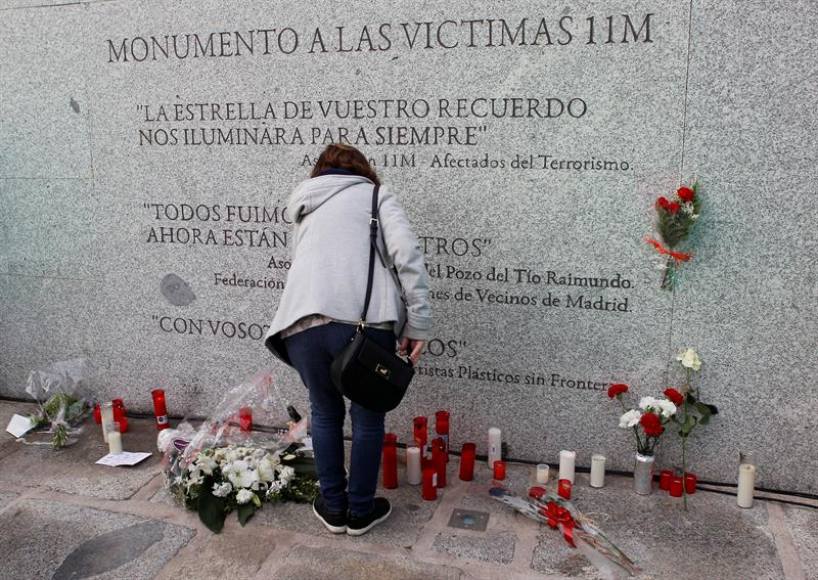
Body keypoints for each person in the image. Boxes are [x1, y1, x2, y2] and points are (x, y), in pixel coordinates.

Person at [264, 143, 431, 536]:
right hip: (362, 324)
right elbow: (407, 254)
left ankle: (333, 507)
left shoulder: (305, 207)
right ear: (363, 170)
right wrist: (418, 322)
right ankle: (360, 511)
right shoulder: (375, 195)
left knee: (323, 411)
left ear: (320, 173)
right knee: (368, 414)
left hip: (302, 325)